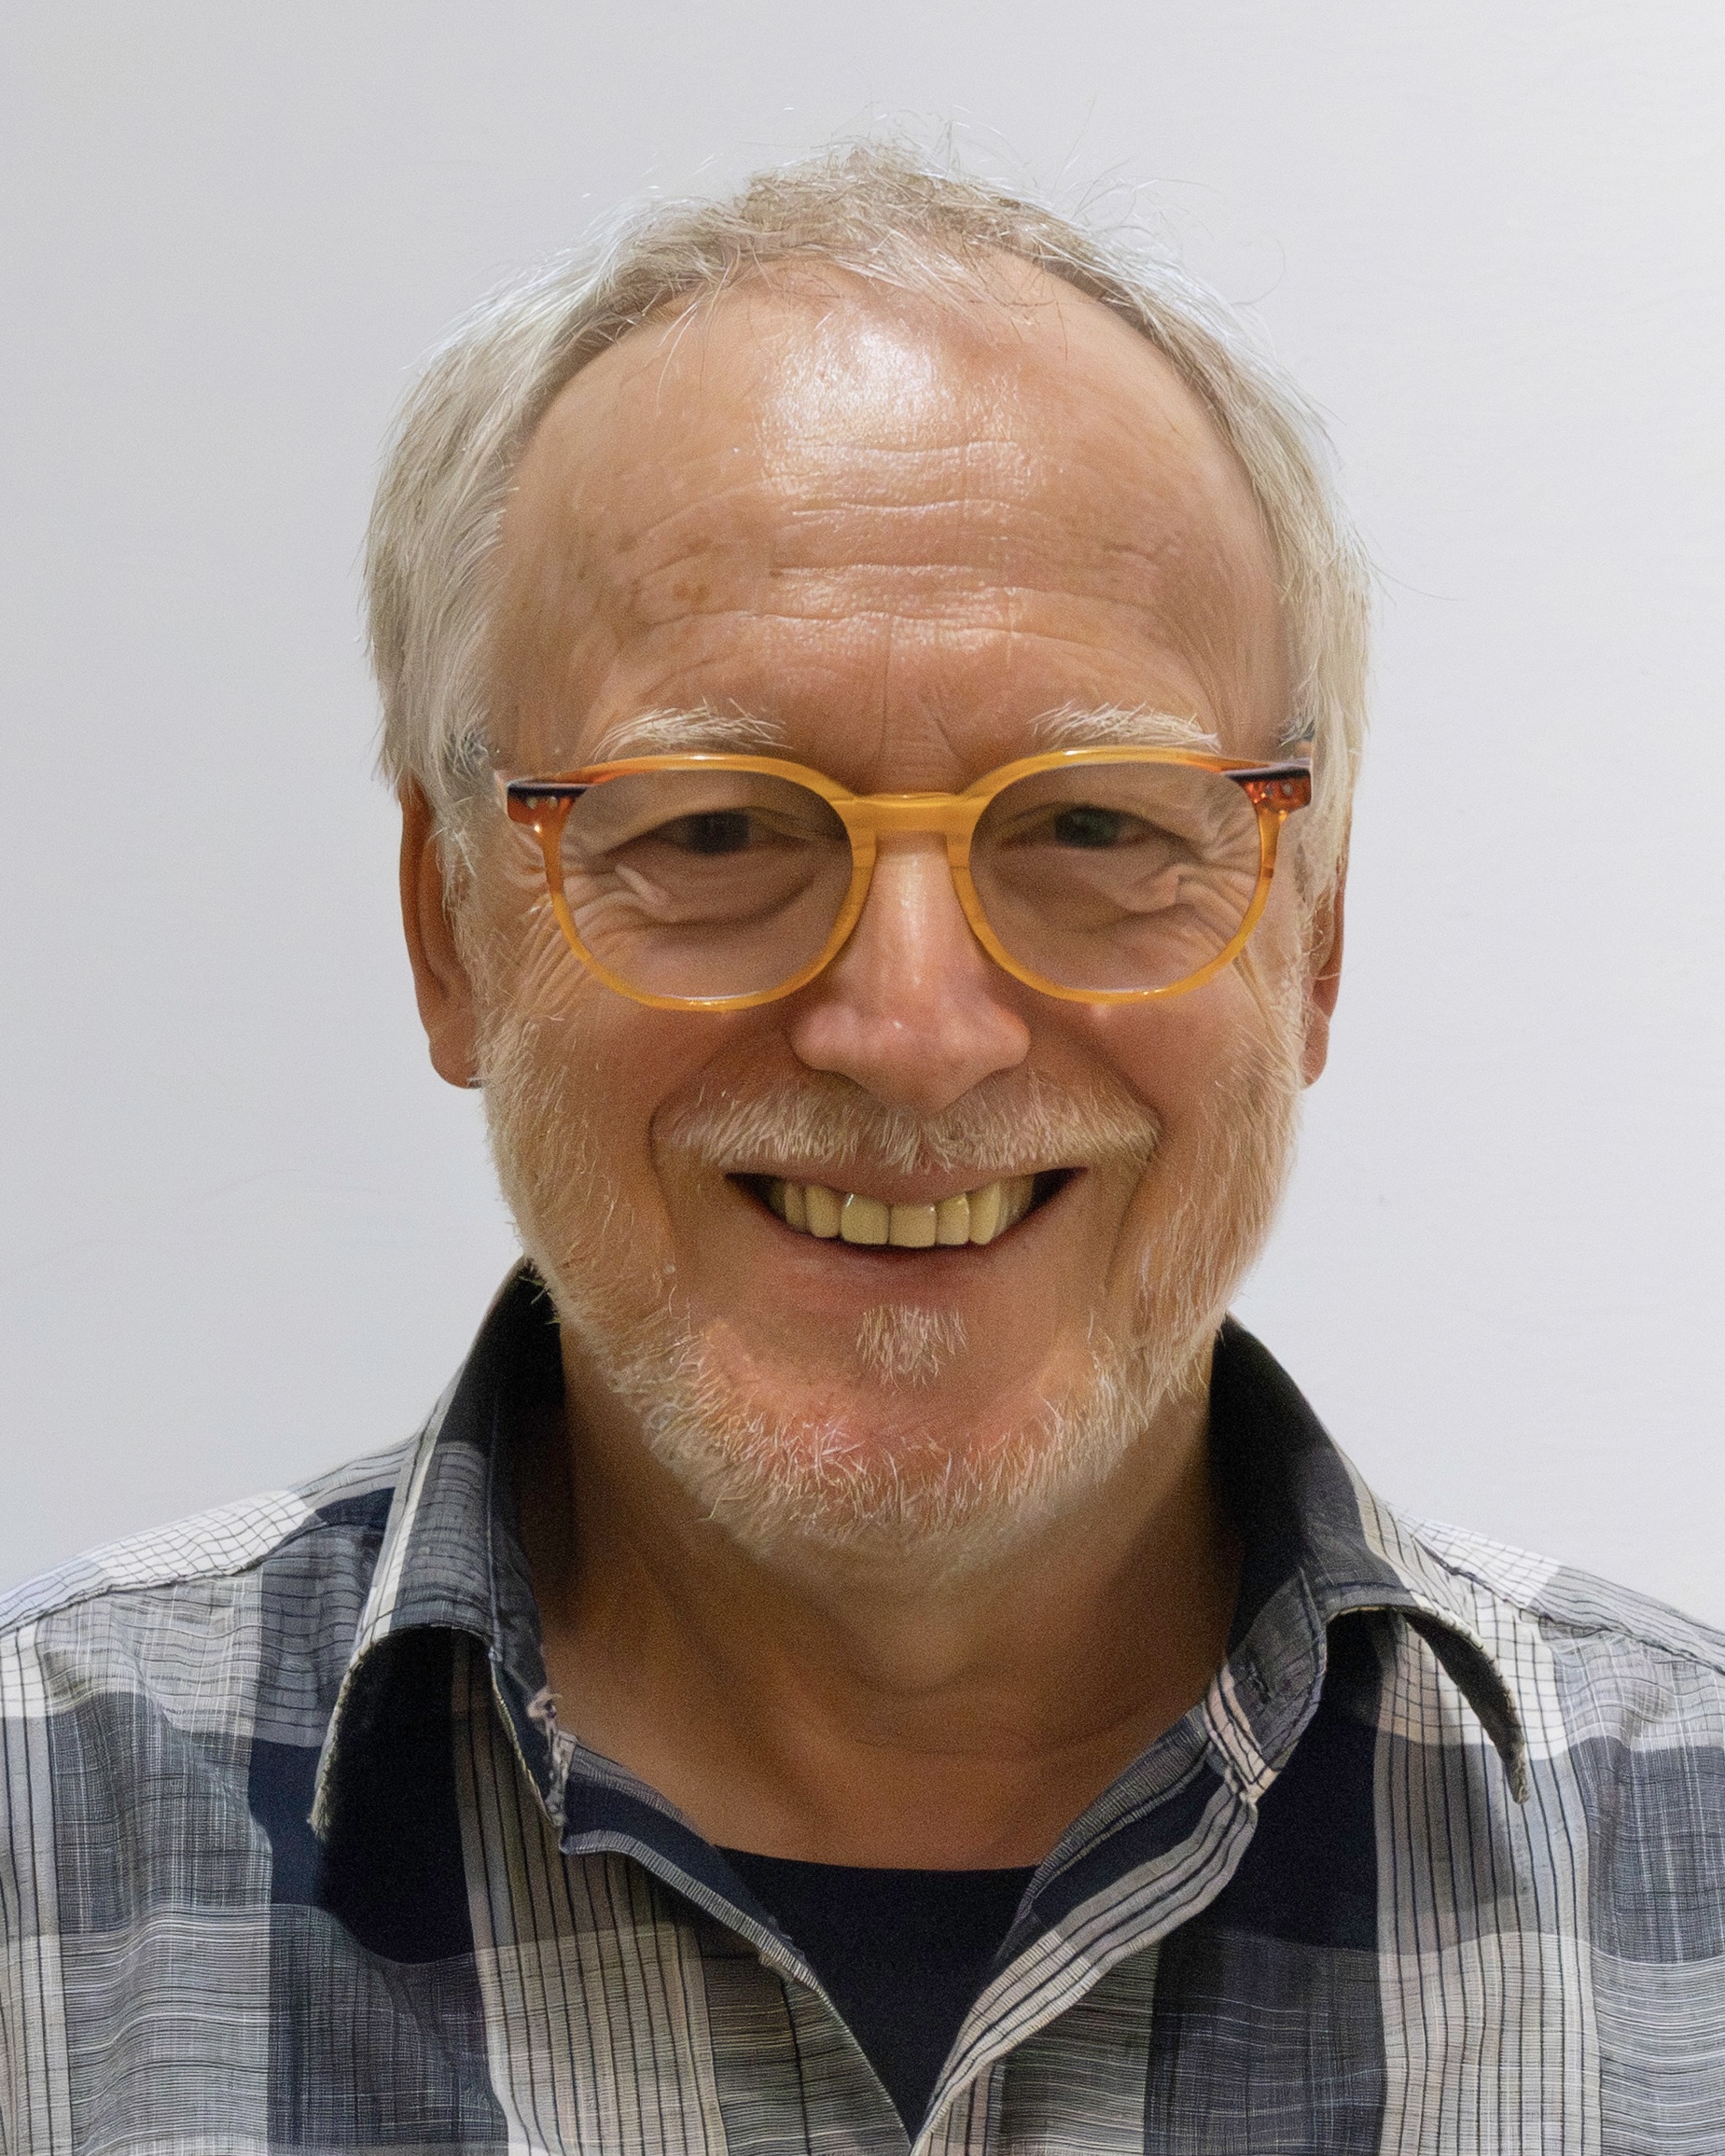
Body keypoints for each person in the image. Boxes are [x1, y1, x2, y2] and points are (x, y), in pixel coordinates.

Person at [3, 143, 1721, 2155]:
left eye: (1094, 826)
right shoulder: (45, 1864)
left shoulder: (1683, 1865)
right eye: (717, 829)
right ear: (449, 928)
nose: (913, 1034)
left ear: (1312, 937)